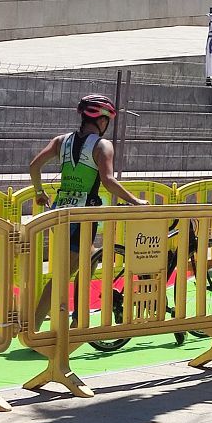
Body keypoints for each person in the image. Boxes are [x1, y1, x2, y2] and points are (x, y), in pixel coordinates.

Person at [28, 94, 147, 330]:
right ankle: (32, 328)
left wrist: (40, 192)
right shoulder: (103, 145)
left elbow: (34, 166)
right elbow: (108, 180)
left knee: (90, 258)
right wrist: (134, 201)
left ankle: (77, 318)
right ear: (102, 120)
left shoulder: (61, 141)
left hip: (59, 213)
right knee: (64, 273)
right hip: (83, 216)